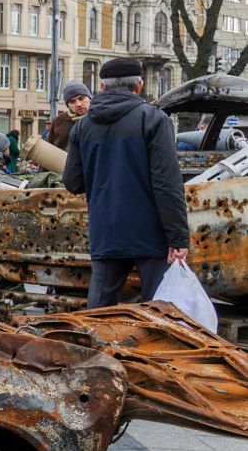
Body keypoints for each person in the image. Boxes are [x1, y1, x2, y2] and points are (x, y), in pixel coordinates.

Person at [63, 57, 189, 308]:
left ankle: (96, 347)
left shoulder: (82, 127)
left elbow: (73, 182)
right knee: (157, 311)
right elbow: (167, 184)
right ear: (139, 86)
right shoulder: (153, 119)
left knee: (100, 309)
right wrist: (178, 239)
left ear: (101, 87)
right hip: (150, 233)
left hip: (106, 229)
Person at [47, 81, 92, 152]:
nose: (78, 104)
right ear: (68, 105)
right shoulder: (59, 121)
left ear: (89, 98)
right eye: (72, 101)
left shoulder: (98, 117)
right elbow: (49, 149)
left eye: (81, 98)